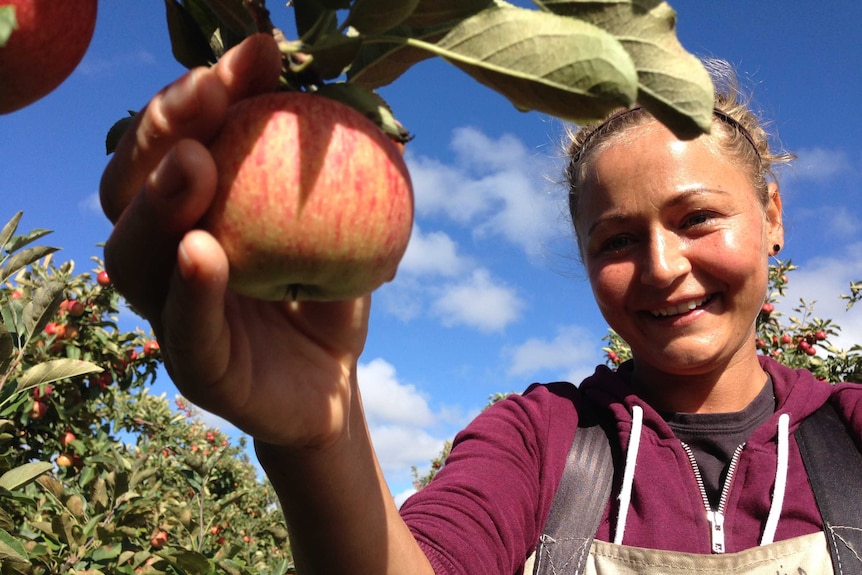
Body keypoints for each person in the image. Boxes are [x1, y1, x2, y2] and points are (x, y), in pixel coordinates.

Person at [100, 34, 862, 574]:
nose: (662, 268)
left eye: (697, 219)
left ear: (774, 215)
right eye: (615, 241)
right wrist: (318, 441)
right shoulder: (542, 439)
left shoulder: (851, 432)